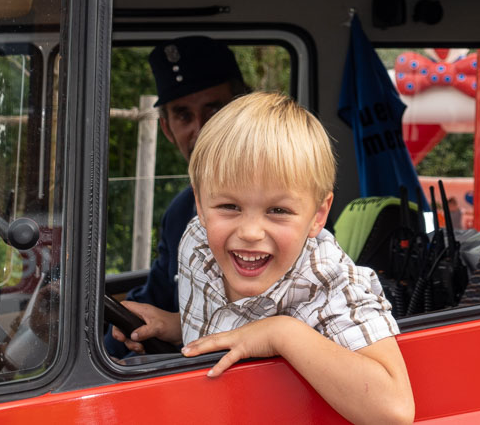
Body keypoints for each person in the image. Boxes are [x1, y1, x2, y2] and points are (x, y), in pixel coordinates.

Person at [122, 92, 415, 425]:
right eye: (229, 206)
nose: (249, 232)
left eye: (278, 210)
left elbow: (394, 410)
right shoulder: (198, 243)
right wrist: (173, 326)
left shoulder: (330, 282)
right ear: (200, 205)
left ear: (318, 215)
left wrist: (281, 334)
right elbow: (225, 319)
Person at [105, 36, 248, 359]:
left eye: (215, 110)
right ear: (168, 130)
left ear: (242, 112)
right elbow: (158, 297)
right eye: (184, 116)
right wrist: (104, 351)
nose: (202, 129)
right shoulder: (182, 210)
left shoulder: (288, 208)